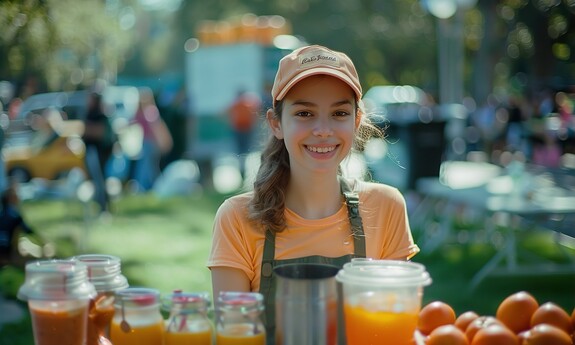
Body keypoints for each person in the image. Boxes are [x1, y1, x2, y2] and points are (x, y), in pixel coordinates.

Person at [207, 45, 420, 341]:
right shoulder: (237, 218)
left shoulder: (386, 206)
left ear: (356, 122)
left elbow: (394, 332)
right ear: (276, 123)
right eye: (305, 113)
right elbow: (233, 336)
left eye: (340, 113)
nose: (323, 129)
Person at [131, 87, 173, 192]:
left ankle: (144, 187)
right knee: (150, 167)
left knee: (146, 166)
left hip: (151, 143)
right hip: (146, 143)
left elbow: (155, 127)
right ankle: (153, 186)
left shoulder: (150, 111)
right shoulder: (143, 111)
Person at [82, 92, 115, 213]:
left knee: (100, 180)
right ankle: (100, 205)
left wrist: (87, 129)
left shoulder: (100, 114)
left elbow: (99, 132)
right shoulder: (91, 113)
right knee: (97, 181)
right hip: (93, 151)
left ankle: (104, 208)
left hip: (98, 152)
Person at [227, 89, 262, 176]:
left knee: (242, 150)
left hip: (243, 129)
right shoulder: (246, 103)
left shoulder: (239, 103)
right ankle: (242, 168)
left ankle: (242, 168)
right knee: (244, 150)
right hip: (242, 129)